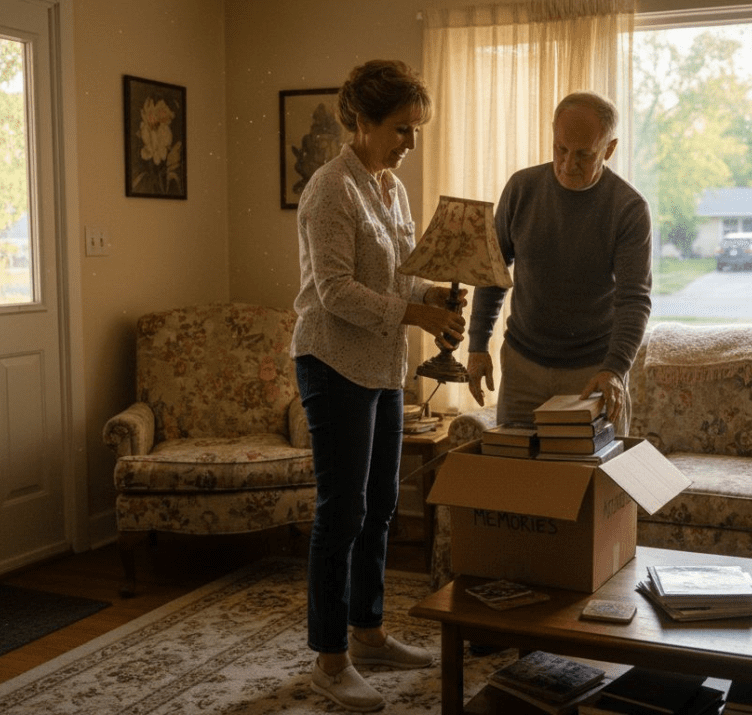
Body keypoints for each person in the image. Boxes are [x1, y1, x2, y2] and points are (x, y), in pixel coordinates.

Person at [290, 59, 463, 713]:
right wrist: (416, 313)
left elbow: (402, 278)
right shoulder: (329, 190)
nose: (410, 145)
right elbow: (334, 292)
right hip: (332, 363)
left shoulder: (391, 188)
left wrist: (437, 302)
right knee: (342, 512)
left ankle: (368, 634)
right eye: (401, 129)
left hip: (384, 367)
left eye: (416, 131)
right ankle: (329, 659)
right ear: (360, 122)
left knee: (383, 505)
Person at [467, 91, 652, 434]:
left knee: (593, 482)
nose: (568, 165)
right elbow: (492, 274)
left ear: (609, 149)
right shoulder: (521, 189)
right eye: (560, 149)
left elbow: (634, 300)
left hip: (592, 371)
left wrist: (614, 370)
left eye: (584, 154)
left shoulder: (628, 209)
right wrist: (477, 345)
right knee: (517, 478)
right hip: (523, 365)